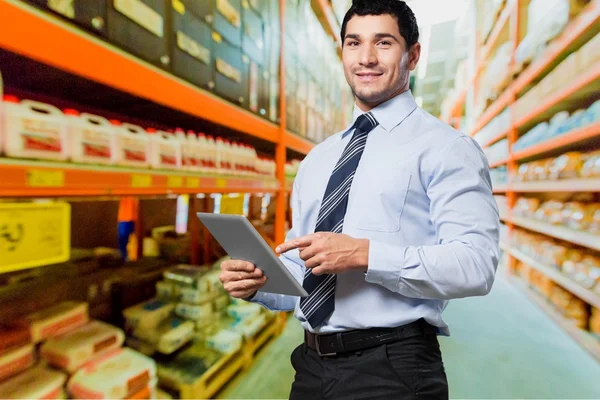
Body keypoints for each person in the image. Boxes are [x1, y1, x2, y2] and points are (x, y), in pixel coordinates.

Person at [219, 0, 500, 398]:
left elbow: (476, 265)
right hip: (312, 367)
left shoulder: (446, 148)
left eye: (383, 43)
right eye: (354, 43)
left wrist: (365, 254)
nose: (366, 58)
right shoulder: (319, 159)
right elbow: (305, 272)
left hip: (395, 369)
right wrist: (260, 284)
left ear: (413, 55)